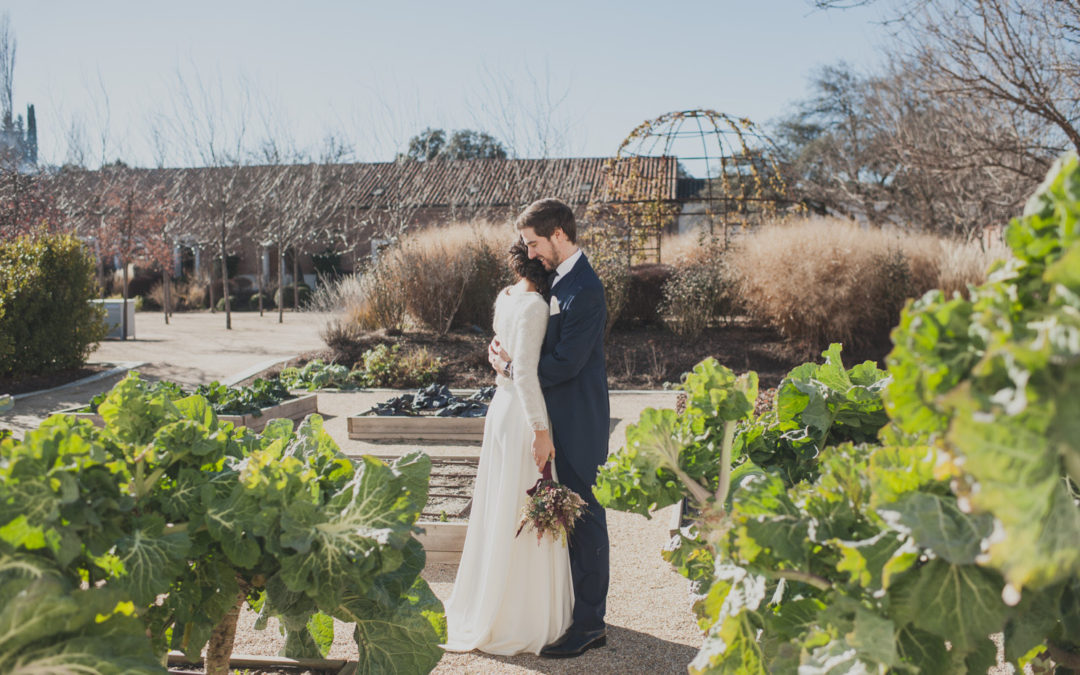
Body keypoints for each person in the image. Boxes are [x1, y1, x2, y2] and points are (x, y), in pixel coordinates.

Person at [489, 197, 611, 659]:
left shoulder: (586, 289)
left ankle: (589, 625)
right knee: (568, 520)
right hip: (549, 421)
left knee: (586, 519)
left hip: (578, 422)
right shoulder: (559, 281)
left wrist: (511, 368)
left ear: (560, 234)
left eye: (534, 243)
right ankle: (572, 611)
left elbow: (564, 364)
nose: (531, 252)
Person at [442, 241, 573, 656]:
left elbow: (503, 356)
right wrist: (540, 431)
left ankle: (493, 604)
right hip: (520, 415)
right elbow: (528, 377)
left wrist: (500, 363)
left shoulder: (505, 296)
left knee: (501, 508)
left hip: (499, 410)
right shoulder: (535, 307)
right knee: (524, 510)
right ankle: (523, 617)